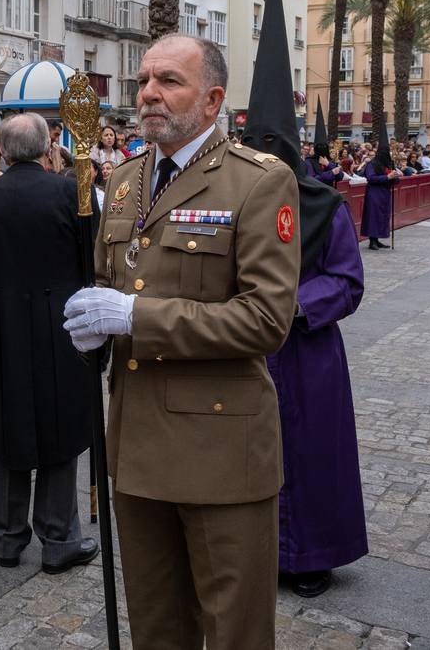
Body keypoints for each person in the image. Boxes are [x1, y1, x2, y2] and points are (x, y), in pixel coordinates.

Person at [62, 34, 300, 650]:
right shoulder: (123, 181)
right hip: (137, 443)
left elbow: (265, 320)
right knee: (156, 624)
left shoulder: (257, 182)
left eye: (169, 81)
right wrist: (93, 326)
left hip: (220, 446)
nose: (148, 94)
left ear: (213, 98)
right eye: (144, 80)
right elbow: (107, 284)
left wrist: (136, 315)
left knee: (233, 629)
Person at [239, 0, 367, 598]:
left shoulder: (324, 205)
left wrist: (291, 308)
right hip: (242, 349)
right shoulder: (228, 203)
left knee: (311, 456)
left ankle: (311, 554)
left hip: (305, 352)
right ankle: (255, 553)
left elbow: (346, 280)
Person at [0, 112, 97, 573]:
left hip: (2, 327)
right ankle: (58, 537)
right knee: (59, 425)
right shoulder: (70, 193)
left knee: (8, 426)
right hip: (62, 327)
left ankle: (6, 535)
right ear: (46, 147)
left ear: (3, 151)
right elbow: (91, 260)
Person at [359, 137, 400, 249]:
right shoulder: (372, 164)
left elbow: (394, 180)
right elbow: (370, 178)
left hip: (385, 193)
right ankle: (372, 241)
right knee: (373, 216)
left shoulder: (388, 164)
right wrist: (387, 177)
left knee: (382, 216)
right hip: (374, 193)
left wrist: (395, 177)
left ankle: (377, 239)